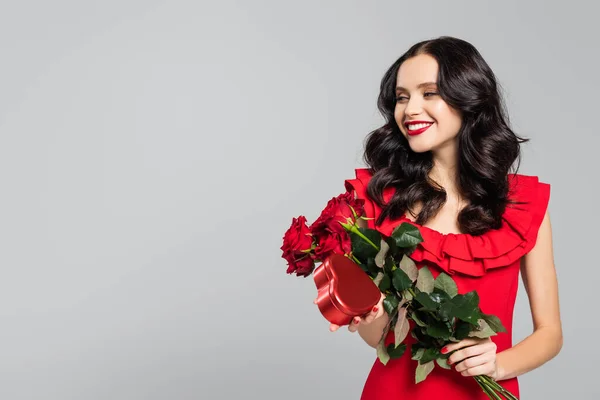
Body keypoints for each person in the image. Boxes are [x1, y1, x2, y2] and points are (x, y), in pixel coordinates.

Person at [313, 36, 562, 399]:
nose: (410, 109)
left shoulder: (523, 206)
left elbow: (550, 334)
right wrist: (368, 316)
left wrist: (498, 365)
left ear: (469, 98)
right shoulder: (379, 202)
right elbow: (381, 338)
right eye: (402, 97)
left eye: (429, 93)